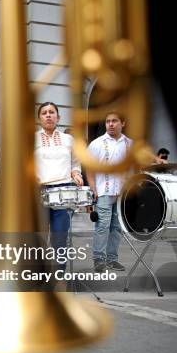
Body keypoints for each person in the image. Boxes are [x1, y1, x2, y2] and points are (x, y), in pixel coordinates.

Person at [35, 102, 83, 272]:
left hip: (63, 192)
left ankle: (59, 277)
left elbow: (75, 164)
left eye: (52, 112)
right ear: (39, 118)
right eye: (44, 113)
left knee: (60, 237)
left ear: (58, 117)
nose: (48, 115)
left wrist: (76, 174)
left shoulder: (68, 140)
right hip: (39, 191)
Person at [86, 111, 133, 273]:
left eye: (114, 121)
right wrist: (93, 188)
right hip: (103, 192)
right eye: (108, 122)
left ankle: (112, 260)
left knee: (116, 227)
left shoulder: (130, 144)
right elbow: (90, 169)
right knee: (102, 226)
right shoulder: (96, 143)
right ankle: (99, 259)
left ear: (123, 123)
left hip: (122, 193)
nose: (111, 124)